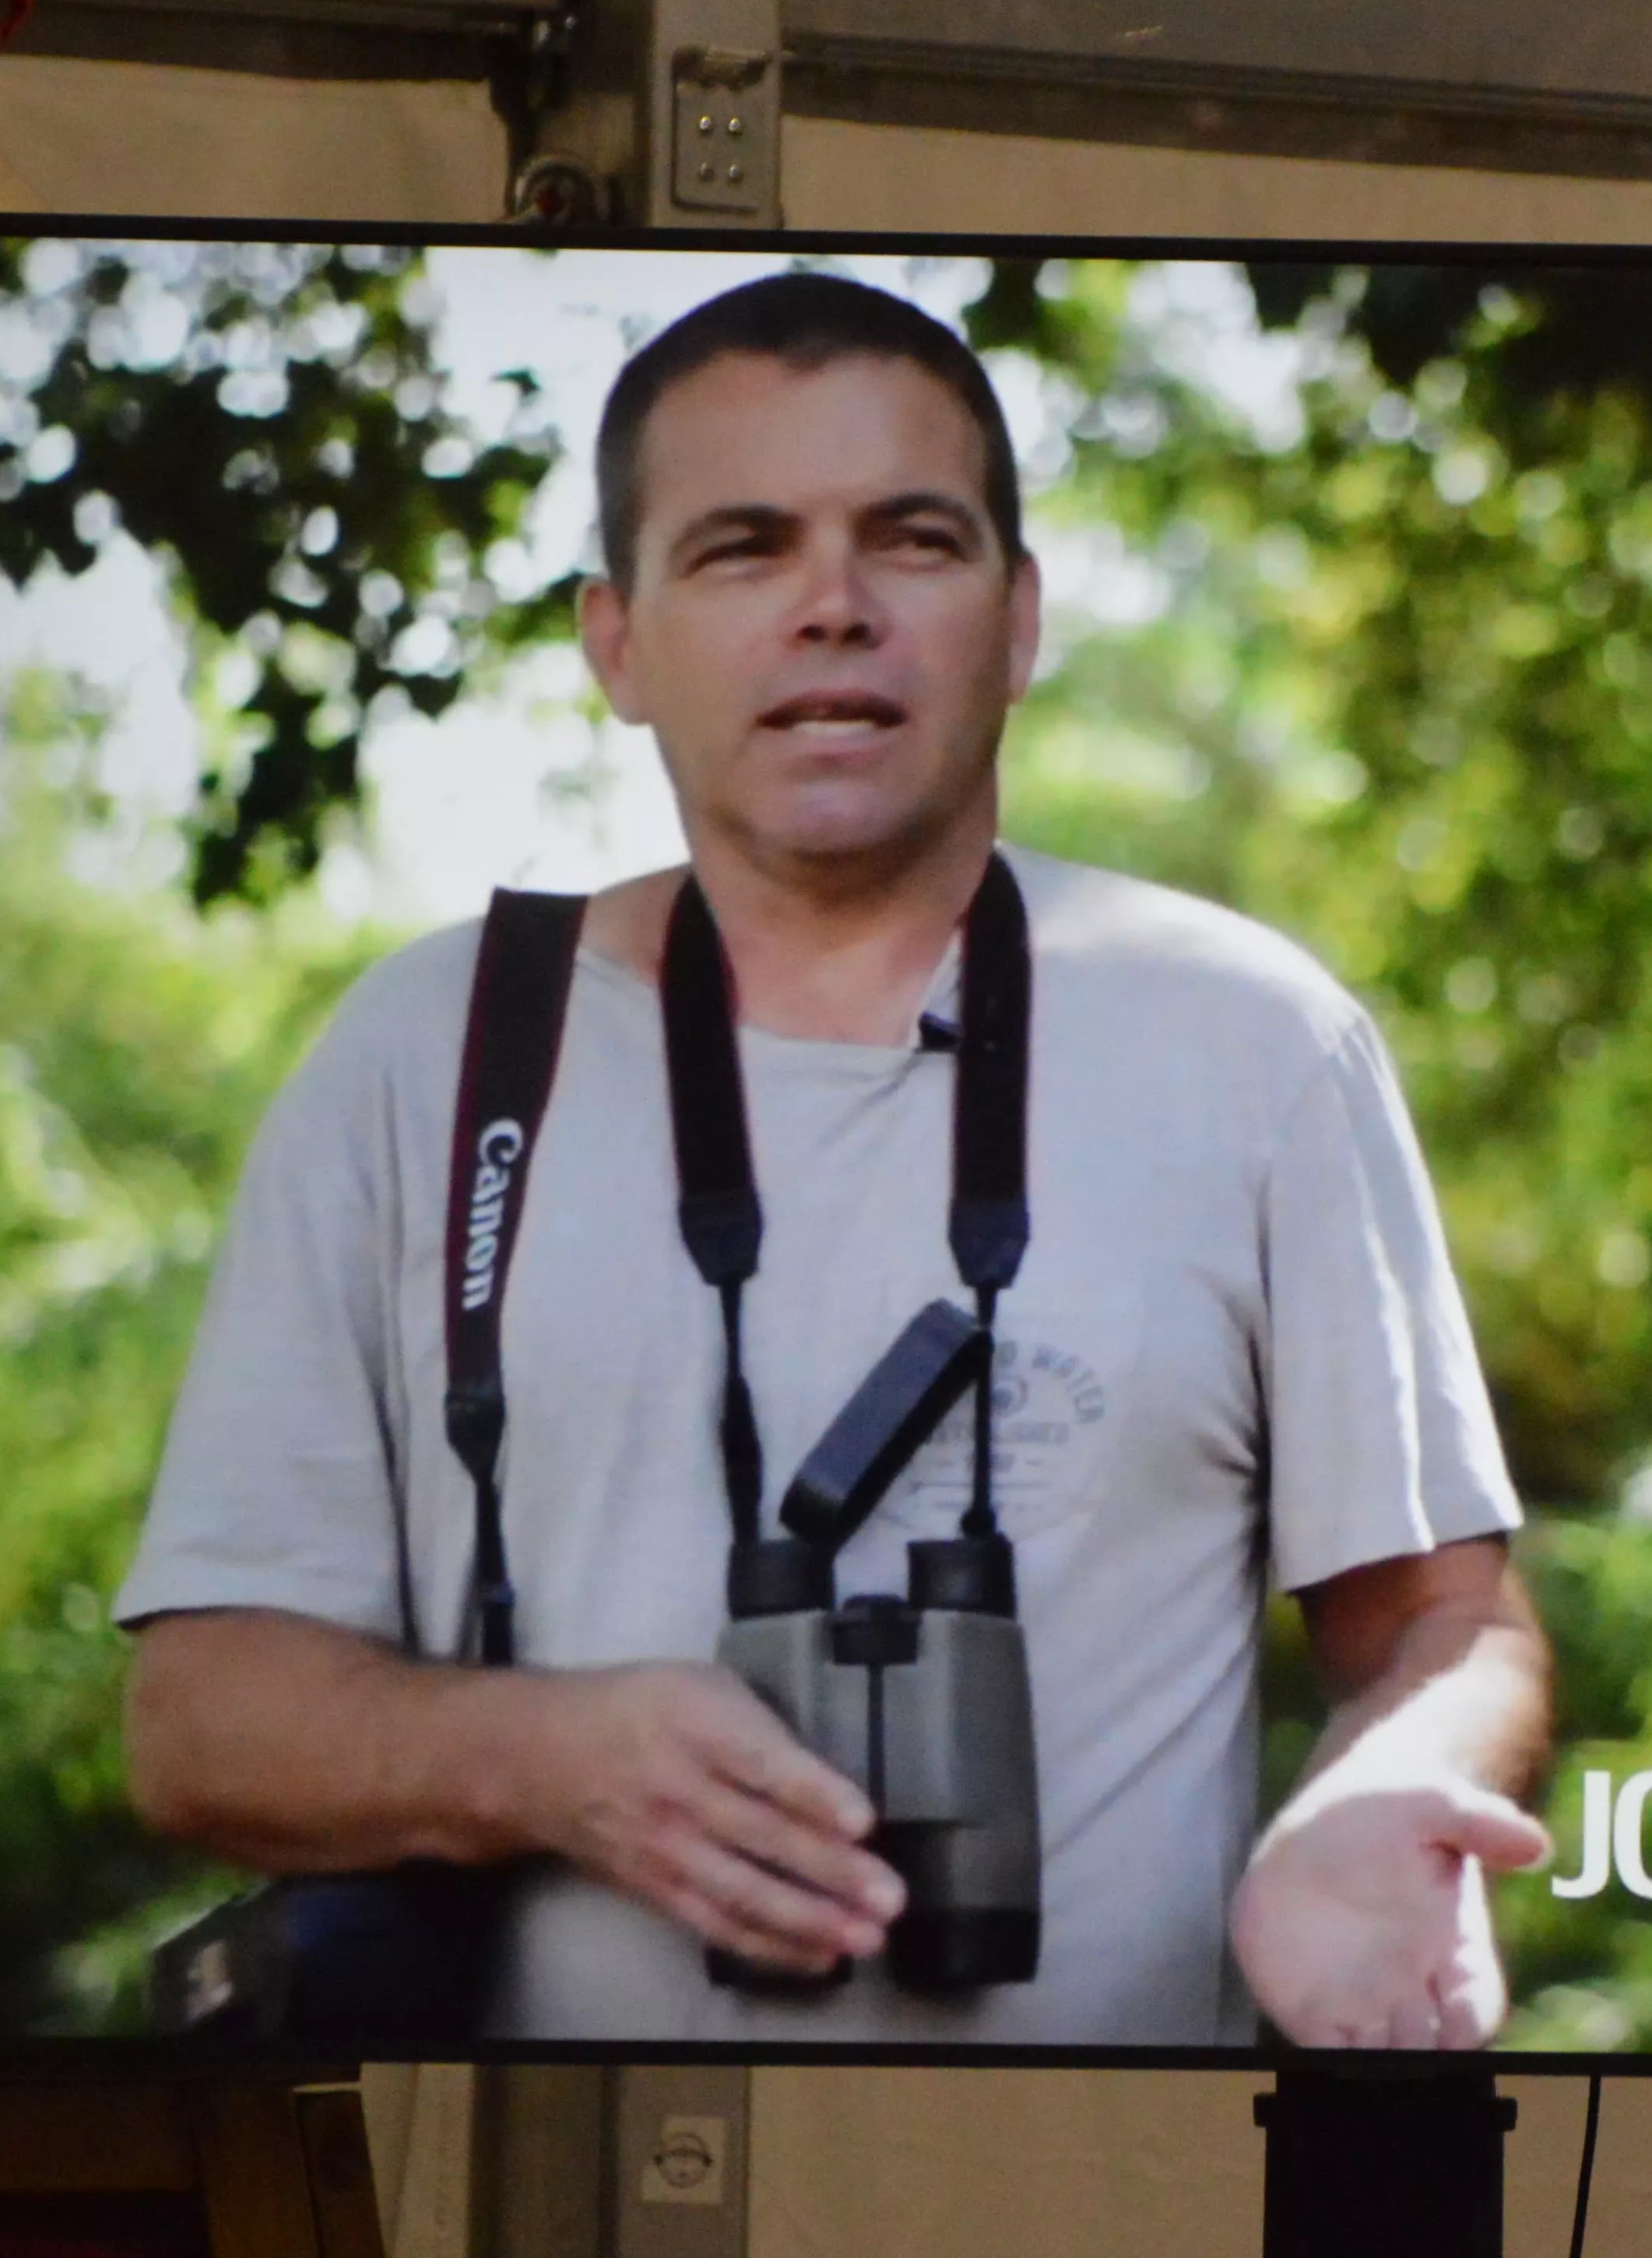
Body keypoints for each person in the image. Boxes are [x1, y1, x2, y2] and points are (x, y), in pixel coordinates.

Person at [117, 271, 1555, 2048]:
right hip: (525, 2200)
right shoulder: (436, 1058)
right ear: (616, 641)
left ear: (1018, 620)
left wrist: (1367, 1803)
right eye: (741, 548)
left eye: (913, 539)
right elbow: (198, 1717)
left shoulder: (1253, 1040)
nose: (833, 608)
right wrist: (557, 1758)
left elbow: (1444, 1623)